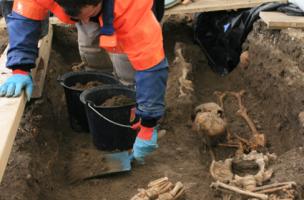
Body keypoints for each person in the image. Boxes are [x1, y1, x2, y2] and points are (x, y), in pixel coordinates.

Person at [0, 0, 168, 163]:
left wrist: (148, 121)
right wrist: (20, 67)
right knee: (90, 48)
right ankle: (102, 98)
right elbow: (26, 15)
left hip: (125, 11)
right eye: (78, 17)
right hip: (89, 7)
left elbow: (151, 66)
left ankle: (130, 108)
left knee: (127, 67)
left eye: (90, 14)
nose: (86, 21)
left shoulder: (133, 8)